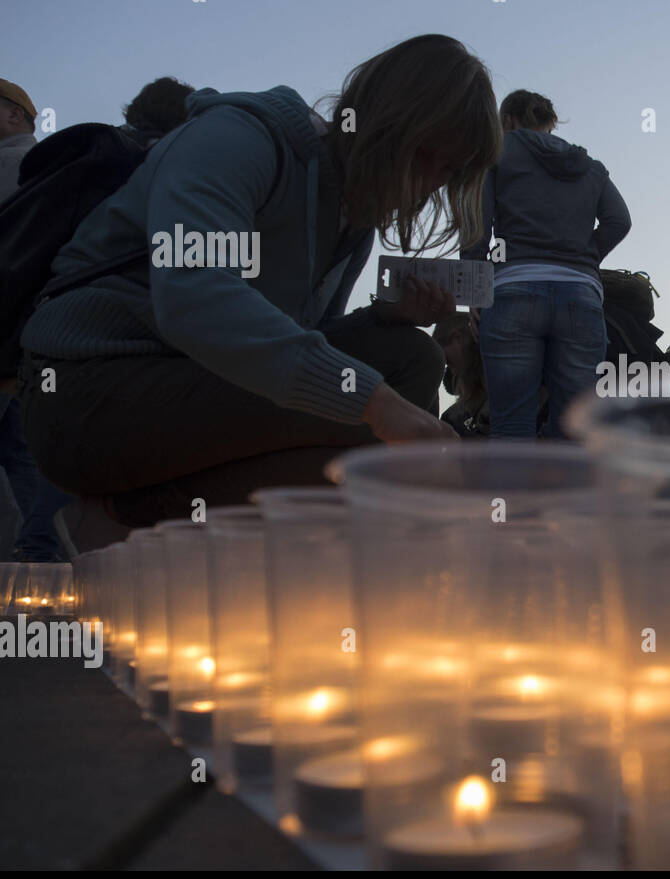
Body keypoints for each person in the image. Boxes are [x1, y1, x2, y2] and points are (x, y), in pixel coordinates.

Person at [19, 35, 499, 540]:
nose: (428, 187)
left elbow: (301, 338)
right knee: (373, 428)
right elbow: (195, 295)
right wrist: (378, 404)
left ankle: (349, 550)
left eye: (449, 173)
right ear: (387, 121)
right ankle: (127, 517)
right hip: (85, 391)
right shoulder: (239, 137)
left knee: (411, 355)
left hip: (195, 386)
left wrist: (381, 319)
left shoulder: (353, 216)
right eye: (428, 157)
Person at [462, 90, 630, 438]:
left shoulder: (496, 155)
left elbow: (477, 227)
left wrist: (475, 292)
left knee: (510, 423)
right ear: (549, 124)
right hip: (581, 299)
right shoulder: (589, 167)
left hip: (512, 291)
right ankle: (569, 493)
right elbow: (619, 221)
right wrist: (582, 257)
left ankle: (508, 495)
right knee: (576, 427)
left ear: (506, 121)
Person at [0, 78, 64, 560]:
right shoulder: (52, 167)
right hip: (32, 342)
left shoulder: (13, 165)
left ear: (13, 115)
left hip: (7, 335)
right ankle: (44, 570)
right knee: (24, 458)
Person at [435, 313, 490, 438]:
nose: (452, 372)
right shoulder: (453, 418)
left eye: (448, 361)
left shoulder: (453, 420)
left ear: (457, 337)